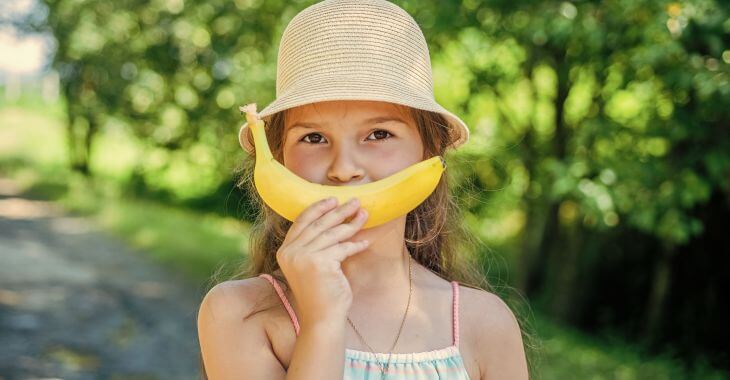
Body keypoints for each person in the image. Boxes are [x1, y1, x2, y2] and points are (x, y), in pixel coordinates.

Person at [197, 0, 530, 379]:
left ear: (429, 151)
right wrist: (322, 321)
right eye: (314, 137)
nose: (344, 169)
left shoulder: (484, 325)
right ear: (279, 158)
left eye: (379, 134)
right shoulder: (238, 313)